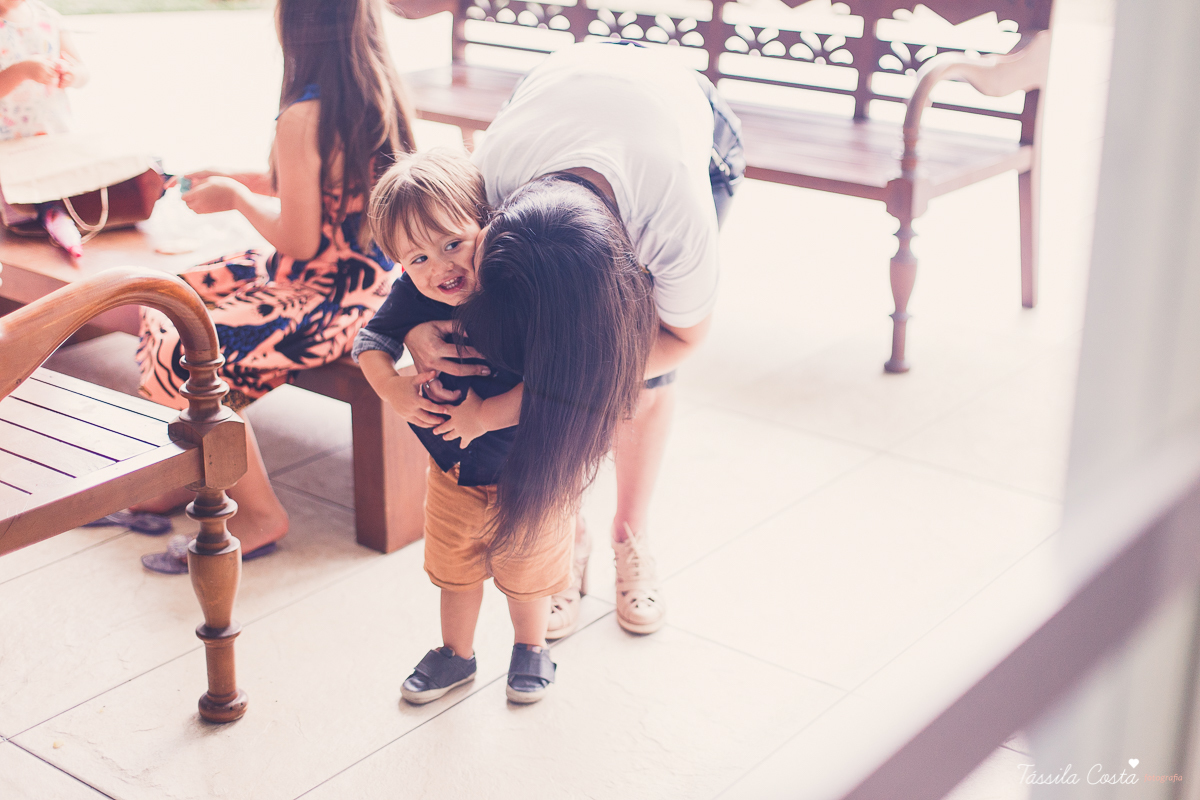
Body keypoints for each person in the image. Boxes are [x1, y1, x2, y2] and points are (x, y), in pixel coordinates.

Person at [383, 32, 745, 637]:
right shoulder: (495, 185)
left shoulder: (673, 226)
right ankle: (564, 534)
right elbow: (429, 264)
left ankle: (631, 535)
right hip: (567, 97)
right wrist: (419, 328)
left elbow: (684, 337)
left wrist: (585, 370)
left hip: (690, 125)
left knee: (645, 381)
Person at [353, 150, 656, 703]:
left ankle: (531, 647)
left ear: (486, 224)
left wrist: (483, 416)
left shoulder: (517, 285)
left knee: (530, 569)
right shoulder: (412, 294)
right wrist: (392, 388)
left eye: (452, 244)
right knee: (455, 567)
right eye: (416, 258)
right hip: (452, 470)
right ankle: (455, 654)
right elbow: (371, 342)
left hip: (531, 469)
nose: (440, 268)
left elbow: (554, 378)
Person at [134, 0, 415, 573]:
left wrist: (235, 200)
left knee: (181, 344)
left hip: (323, 301)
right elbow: (318, 186)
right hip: (368, 288)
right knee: (161, 293)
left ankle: (257, 513)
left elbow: (299, 240)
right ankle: (180, 473)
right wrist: (233, 175)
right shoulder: (376, 92)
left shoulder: (301, 116)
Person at [0, 0, 87, 142]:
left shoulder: (48, 16)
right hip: (5, 142)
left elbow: (82, 71)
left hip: (52, 132)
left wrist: (72, 75)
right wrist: (20, 71)